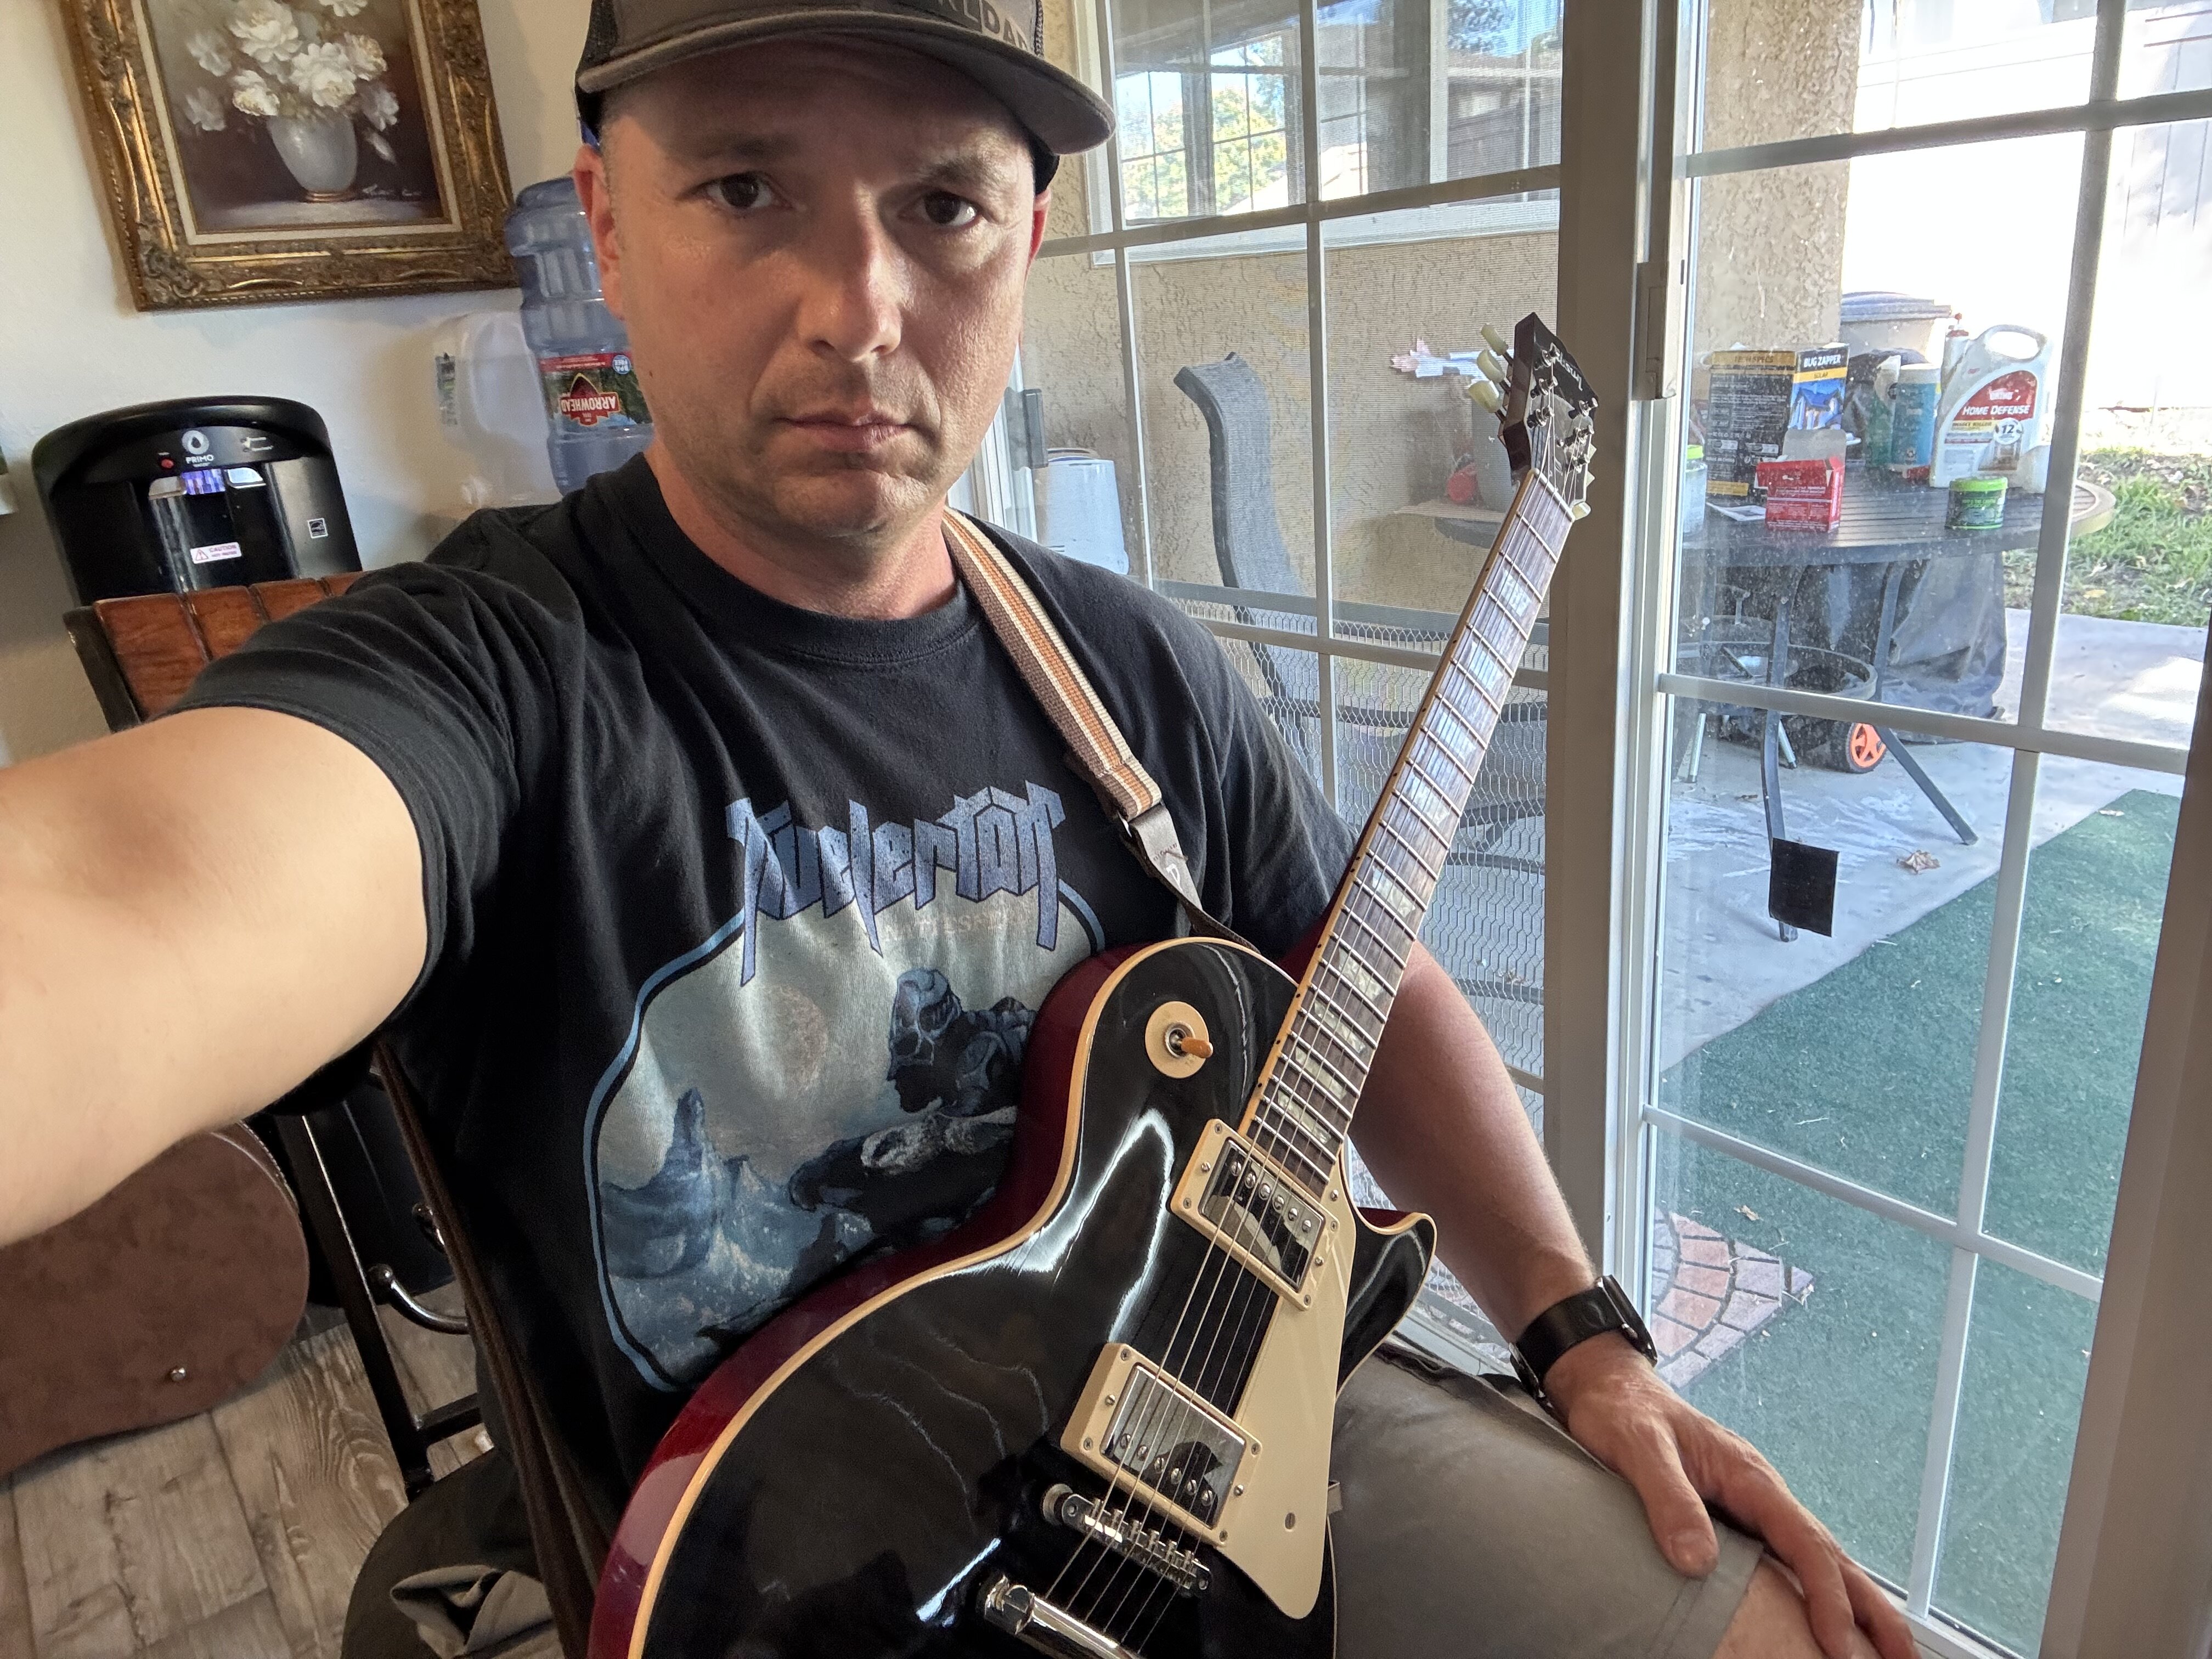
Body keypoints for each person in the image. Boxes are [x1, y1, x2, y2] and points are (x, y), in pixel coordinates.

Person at [0, 3, 1914, 1656]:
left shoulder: (1136, 671)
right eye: (745, 189)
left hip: (1225, 1406)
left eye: (943, 207)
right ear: (608, 227)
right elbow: (118, 898)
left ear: (1031, 236)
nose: (861, 311)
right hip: (810, 1581)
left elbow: (1364, 970)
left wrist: (1585, 1338)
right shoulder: (488, 676)